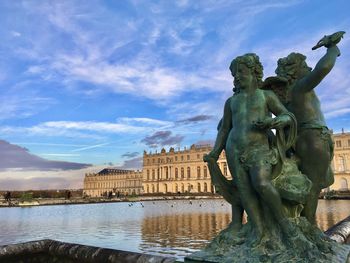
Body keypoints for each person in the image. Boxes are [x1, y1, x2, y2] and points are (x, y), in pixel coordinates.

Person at [205, 53, 296, 245]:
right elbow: (224, 128)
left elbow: (287, 115)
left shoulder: (266, 96)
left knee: (262, 183)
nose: (237, 76)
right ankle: (259, 231)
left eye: (241, 72)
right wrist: (215, 152)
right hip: (234, 148)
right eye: (234, 74)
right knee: (245, 192)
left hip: (259, 147)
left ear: (254, 72)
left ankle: (285, 225)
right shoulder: (231, 102)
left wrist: (274, 121)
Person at [275, 32, 343, 225]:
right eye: (304, 66)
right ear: (296, 72)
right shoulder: (300, 87)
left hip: (302, 139)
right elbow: (323, 68)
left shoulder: (287, 95)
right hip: (313, 139)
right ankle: (310, 227)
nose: (308, 68)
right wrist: (332, 49)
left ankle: (301, 225)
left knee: (306, 186)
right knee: (312, 188)